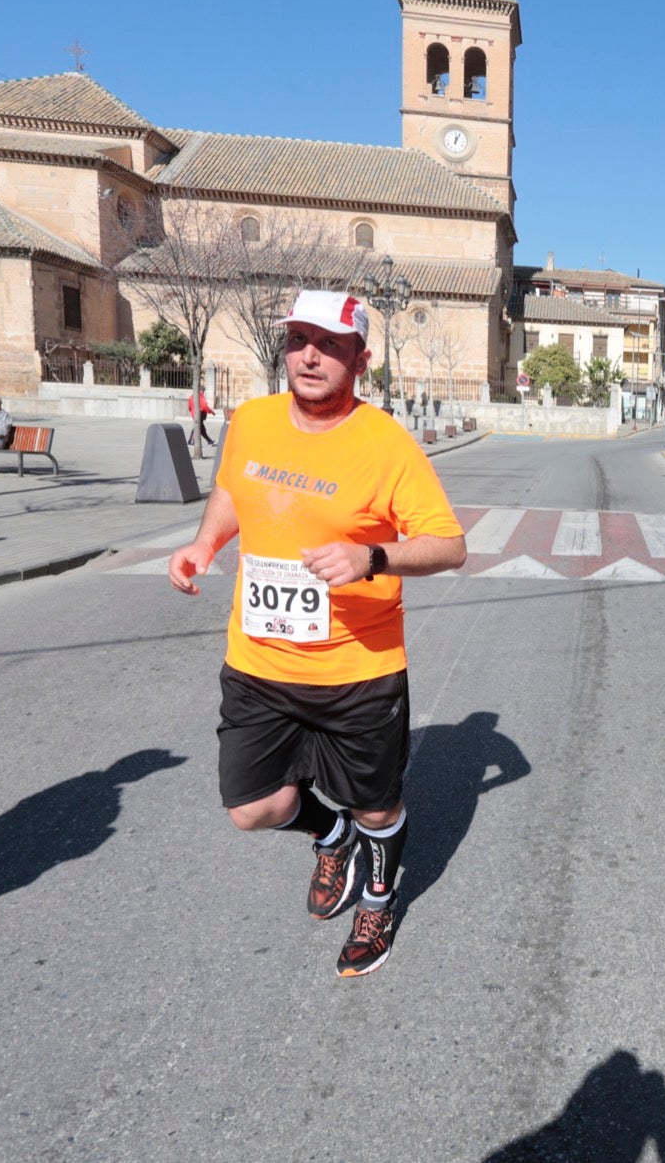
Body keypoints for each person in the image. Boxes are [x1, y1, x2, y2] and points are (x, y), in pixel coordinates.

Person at [167, 289, 468, 977]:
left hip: (357, 670)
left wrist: (373, 557)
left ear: (359, 358)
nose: (309, 354)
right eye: (299, 338)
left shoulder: (386, 443)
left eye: (329, 343)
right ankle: (328, 833)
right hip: (259, 659)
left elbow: (450, 545)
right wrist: (204, 544)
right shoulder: (252, 419)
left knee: (377, 805)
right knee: (252, 805)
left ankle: (379, 898)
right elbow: (232, 491)